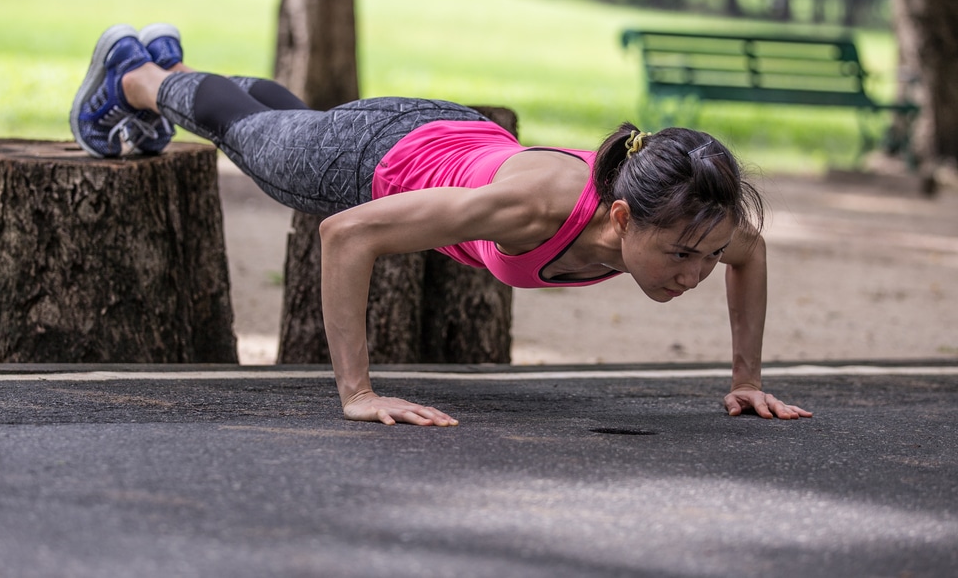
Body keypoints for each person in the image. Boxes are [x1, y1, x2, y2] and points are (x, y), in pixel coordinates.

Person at [71, 23, 813, 426]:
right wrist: (358, 392)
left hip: (449, 136)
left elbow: (751, 253)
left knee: (283, 129)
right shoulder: (532, 210)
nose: (695, 271)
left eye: (706, 256)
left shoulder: (699, 220)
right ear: (621, 215)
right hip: (373, 155)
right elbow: (346, 234)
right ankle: (134, 72)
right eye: (683, 254)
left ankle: (187, 72)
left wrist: (746, 377)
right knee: (258, 149)